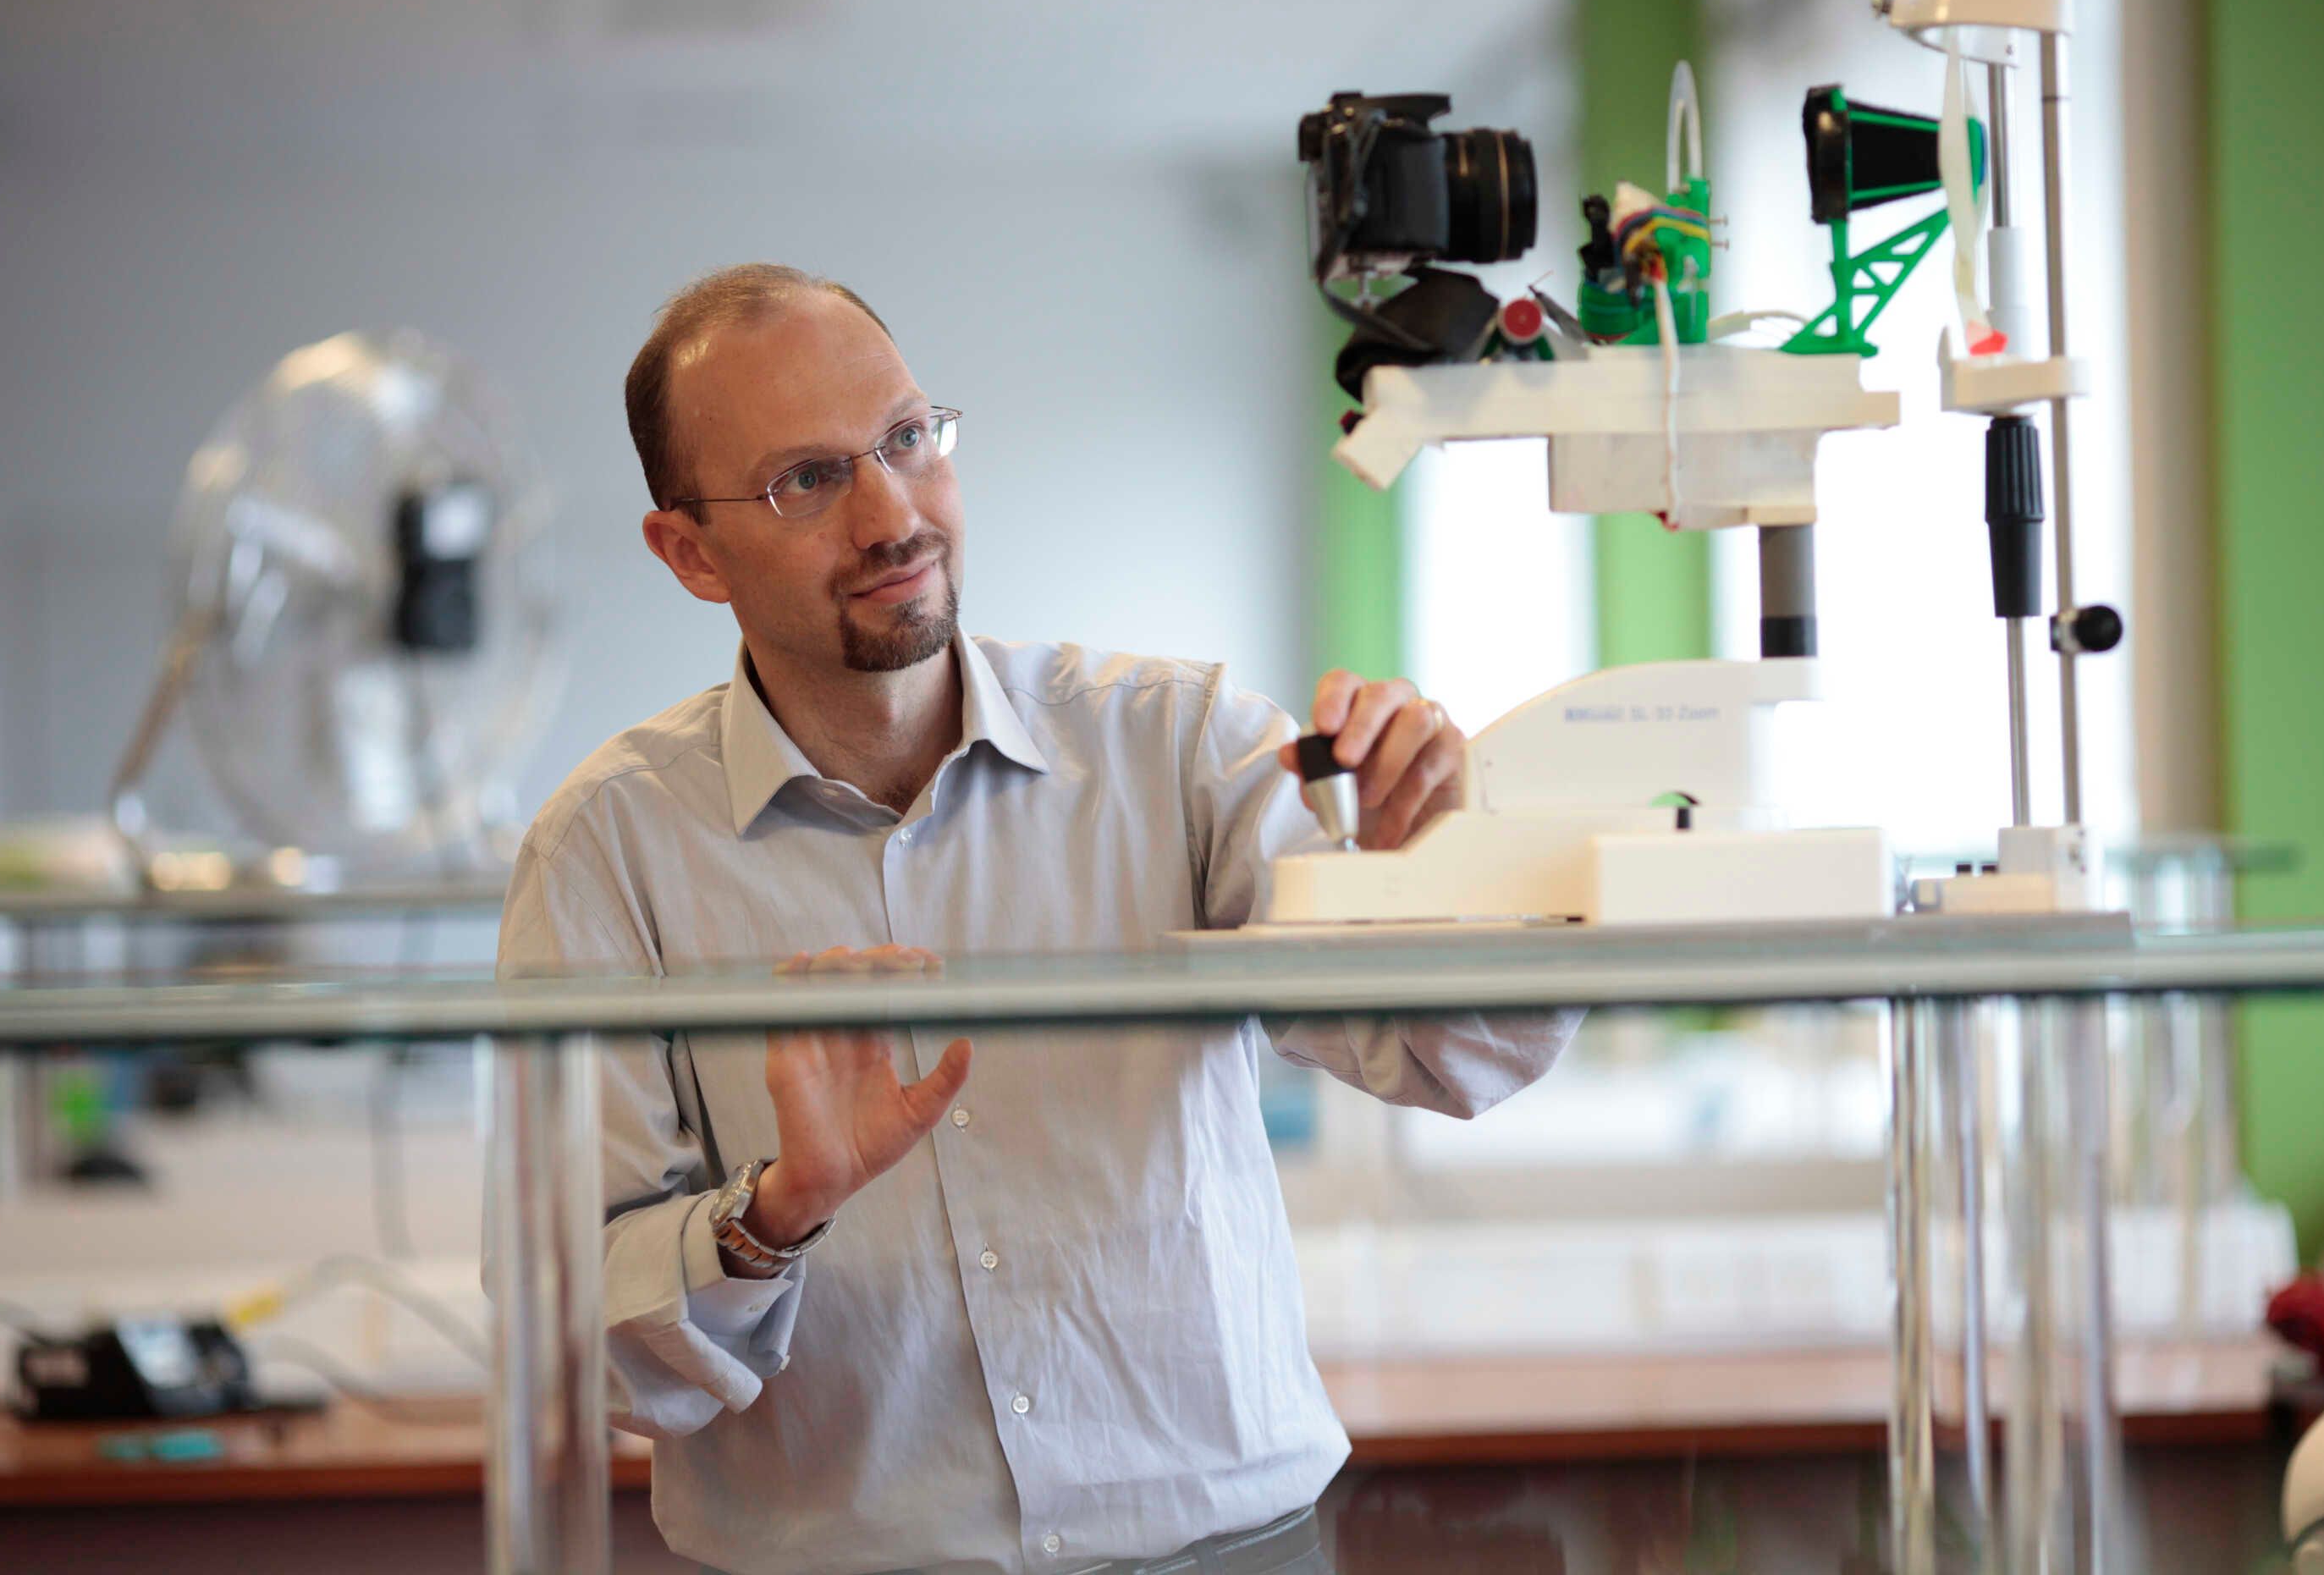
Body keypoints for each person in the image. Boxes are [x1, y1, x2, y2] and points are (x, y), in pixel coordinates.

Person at [498, 263, 1582, 1575]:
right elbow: (577, 1344)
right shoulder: (607, 851)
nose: (895, 513)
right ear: (691, 552)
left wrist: (1431, 871)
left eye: (906, 439)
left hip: (1237, 1549)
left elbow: (1457, 1057)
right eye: (810, 479)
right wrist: (771, 1217)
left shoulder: (1180, 750)